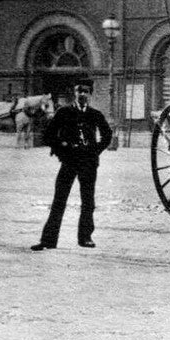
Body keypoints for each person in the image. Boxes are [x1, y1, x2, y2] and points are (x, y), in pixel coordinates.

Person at [31, 78, 113, 250]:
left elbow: (107, 136)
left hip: (88, 163)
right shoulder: (63, 112)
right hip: (69, 162)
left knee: (88, 201)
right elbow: (49, 135)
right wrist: (63, 150)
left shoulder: (95, 114)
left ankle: (85, 238)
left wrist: (95, 150)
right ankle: (48, 240)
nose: (82, 94)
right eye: (79, 90)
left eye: (85, 91)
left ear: (90, 94)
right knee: (59, 200)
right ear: (74, 93)